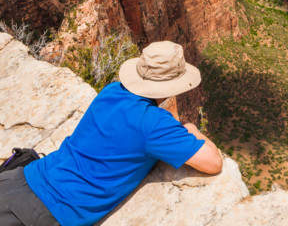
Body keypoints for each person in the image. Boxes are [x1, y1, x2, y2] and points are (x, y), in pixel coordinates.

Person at [0, 41, 222, 226]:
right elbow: (213, 163)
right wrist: (191, 128)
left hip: (18, 179)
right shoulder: (154, 124)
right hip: (42, 212)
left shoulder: (112, 90)